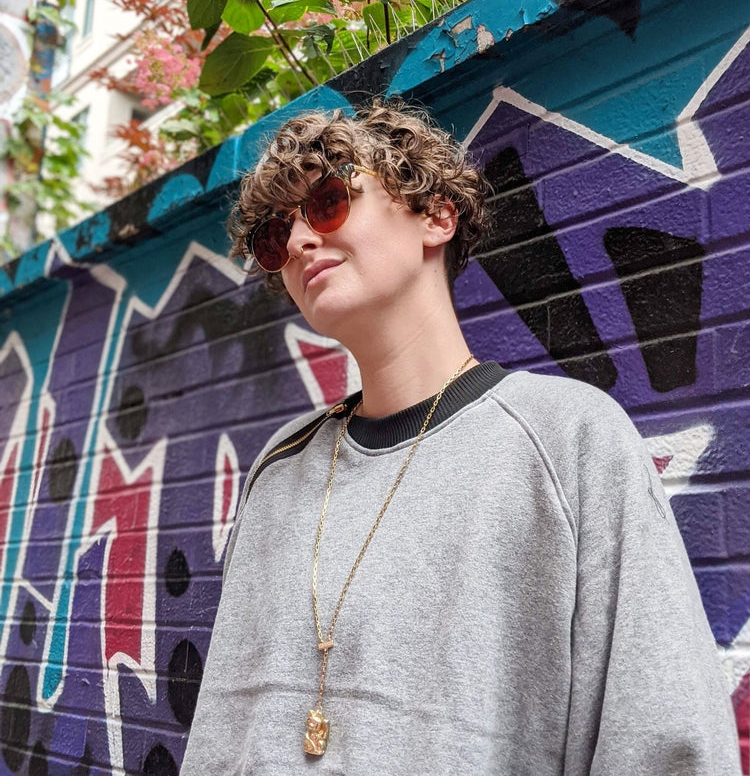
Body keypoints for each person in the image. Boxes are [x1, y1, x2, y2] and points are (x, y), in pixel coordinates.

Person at [181, 102, 740, 774]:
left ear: (436, 215)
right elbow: (223, 728)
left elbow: (664, 740)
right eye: (275, 236)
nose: (298, 241)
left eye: (329, 201)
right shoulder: (278, 473)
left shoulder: (569, 443)